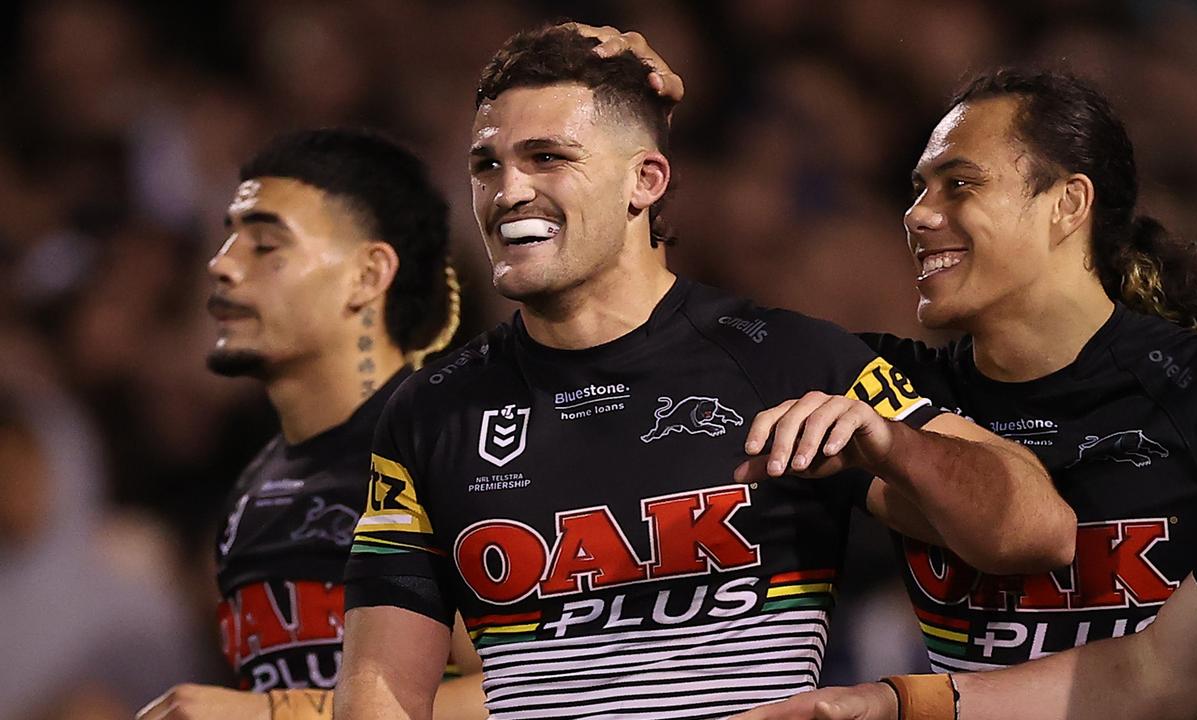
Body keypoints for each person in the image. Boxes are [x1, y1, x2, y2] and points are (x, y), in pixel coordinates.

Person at [334, 25, 1074, 720]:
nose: (508, 191)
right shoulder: (430, 413)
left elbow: (1039, 532)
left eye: (547, 157)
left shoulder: (786, 359)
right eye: (486, 164)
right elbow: (379, 691)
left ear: (646, 179)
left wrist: (896, 444)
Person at [728, 42, 1197, 720]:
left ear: (1067, 203)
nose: (918, 215)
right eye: (918, 189)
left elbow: (1163, 677)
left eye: (960, 184)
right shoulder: (886, 387)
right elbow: (1150, 672)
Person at [135, 129, 485, 720]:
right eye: (227, 240)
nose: (221, 266)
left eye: (266, 245)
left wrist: (273, 715)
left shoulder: (454, 447)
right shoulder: (253, 488)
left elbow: (533, 689)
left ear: (368, 275)